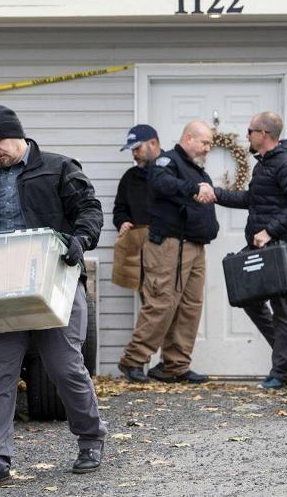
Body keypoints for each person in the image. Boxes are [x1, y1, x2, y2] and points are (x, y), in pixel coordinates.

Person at [0, 105, 107, 489]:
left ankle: (91, 438)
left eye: (0, 143)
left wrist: (81, 239)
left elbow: (89, 209)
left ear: (17, 135)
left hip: (55, 283)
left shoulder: (58, 169)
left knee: (64, 367)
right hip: (1, 290)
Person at [205, 111, 287, 389]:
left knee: (281, 304)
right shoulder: (264, 164)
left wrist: (270, 231)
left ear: (264, 134)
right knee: (249, 297)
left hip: (283, 245)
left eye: (250, 130)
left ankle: (279, 372)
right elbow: (253, 199)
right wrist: (217, 194)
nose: (246, 135)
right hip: (264, 243)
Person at [117, 120, 219, 384]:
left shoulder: (195, 169)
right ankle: (133, 360)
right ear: (188, 139)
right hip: (170, 245)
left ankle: (175, 366)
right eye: (204, 142)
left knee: (190, 307)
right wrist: (194, 189)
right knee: (162, 302)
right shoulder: (167, 163)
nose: (208, 148)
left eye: (210, 143)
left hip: (195, 246)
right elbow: (161, 183)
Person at [111, 124, 161, 291]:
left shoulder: (172, 170)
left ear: (153, 143)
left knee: (170, 303)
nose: (134, 154)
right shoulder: (130, 177)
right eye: (132, 150)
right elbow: (119, 209)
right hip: (139, 251)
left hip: (169, 249)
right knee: (149, 302)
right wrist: (123, 222)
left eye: (137, 148)